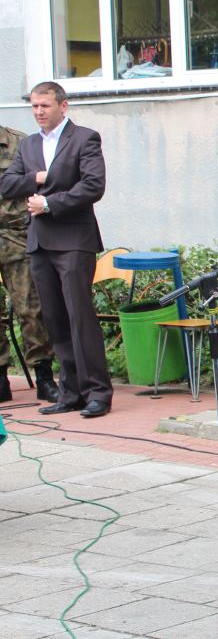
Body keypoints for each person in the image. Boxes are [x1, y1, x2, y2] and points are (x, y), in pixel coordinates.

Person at [0, 82, 110, 417]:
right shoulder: (29, 144)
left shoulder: (84, 138)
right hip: (39, 241)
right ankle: (70, 391)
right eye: (34, 106)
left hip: (74, 240)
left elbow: (93, 185)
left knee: (79, 317)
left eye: (44, 105)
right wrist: (36, 177)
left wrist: (49, 203)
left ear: (63, 106)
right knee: (55, 320)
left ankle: (97, 392)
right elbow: (7, 184)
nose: (38, 112)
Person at [0, 124, 57, 404]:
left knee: (31, 308)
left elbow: (46, 183)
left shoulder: (21, 143)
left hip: (16, 234)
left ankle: (44, 377)